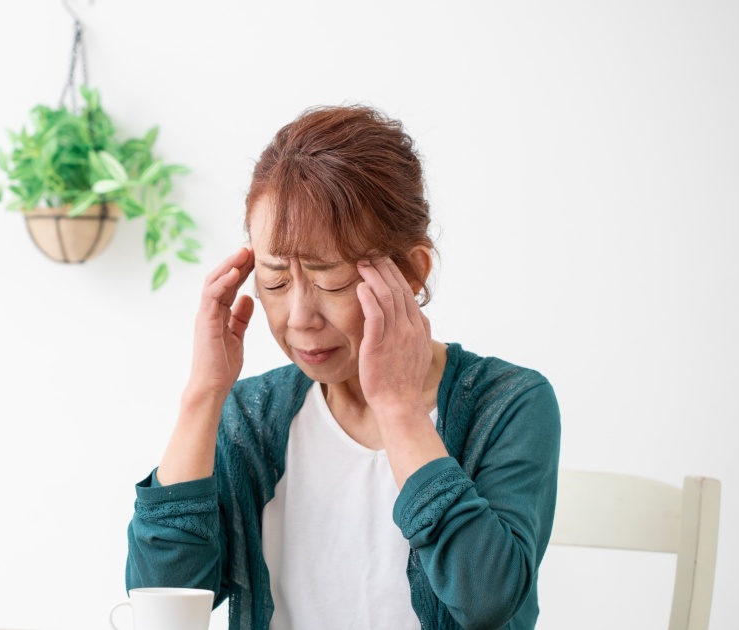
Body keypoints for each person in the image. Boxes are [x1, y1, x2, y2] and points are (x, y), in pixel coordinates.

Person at [125, 105, 560, 630]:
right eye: (275, 280)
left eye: (331, 281)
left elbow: (488, 600)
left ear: (413, 272)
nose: (300, 318)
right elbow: (161, 597)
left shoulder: (509, 404)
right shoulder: (255, 418)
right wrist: (204, 395)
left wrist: (398, 406)